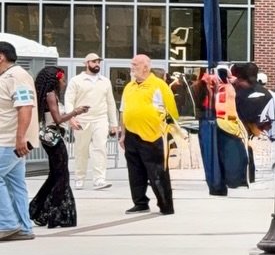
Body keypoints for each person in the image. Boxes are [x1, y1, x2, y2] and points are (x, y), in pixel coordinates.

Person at [118, 53, 177, 215]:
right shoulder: (129, 87)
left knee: (157, 172)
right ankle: (140, 203)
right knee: (135, 171)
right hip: (131, 135)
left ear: (145, 67)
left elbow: (172, 111)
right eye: (132, 64)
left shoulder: (159, 85)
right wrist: (123, 133)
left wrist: (168, 131)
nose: (131, 68)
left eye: (135, 65)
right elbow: (123, 110)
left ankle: (166, 205)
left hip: (153, 135)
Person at [29, 65, 87, 229]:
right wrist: (76, 112)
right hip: (54, 139)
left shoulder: (46, 94)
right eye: (63, 79)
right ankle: (56, 214)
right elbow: (58, 119)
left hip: (50, 138)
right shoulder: (51, 95)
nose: (64, 82)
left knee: (55, 175)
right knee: (62, 175)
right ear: (56, 80)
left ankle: (38, 209)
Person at [0, 41, 38, 240]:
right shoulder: (6, 76)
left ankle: (7, 223)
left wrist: (20, 137)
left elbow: (25, 106)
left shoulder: (17, 76)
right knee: (15, 184)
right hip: (9, 140)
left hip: (9, 141)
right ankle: (23, 227)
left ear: (1, 57)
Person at [69, 52, 117, 189]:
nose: (97, 64)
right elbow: (69, 101)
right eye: (94, 62)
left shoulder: (105, 81)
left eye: (98, 62)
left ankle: (99, 179)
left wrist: (114, 123)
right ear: (86, 63)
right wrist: (71, 118)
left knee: (100, 148)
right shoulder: (76, 81)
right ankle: (79, 178)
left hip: (100, 118)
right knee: (81, 150)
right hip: (82, 119)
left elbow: (111, 102)